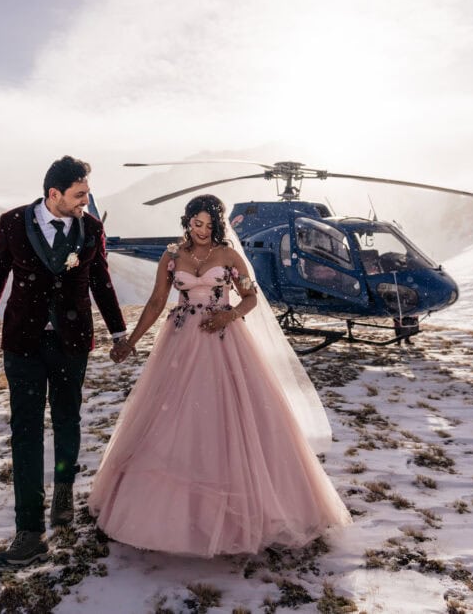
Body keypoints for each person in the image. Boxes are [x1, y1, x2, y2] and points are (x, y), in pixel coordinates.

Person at [90, 194, 351, 557]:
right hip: (180, 344)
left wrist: (227, 315)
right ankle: (165, 515)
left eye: (209, 226)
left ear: (218, 226)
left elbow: (250, 299)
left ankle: (245, 512)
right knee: (170, 419)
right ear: (187, 221)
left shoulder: (229, 257)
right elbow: (154, 303)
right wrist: (130, 342)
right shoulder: (171, 257)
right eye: (197, 224)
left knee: (230, 417)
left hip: (224, 340)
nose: (202, 231)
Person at [0, 156, 128, 568]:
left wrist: (118, 332)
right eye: (79, 195)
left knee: (67, 420)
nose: (85, 201)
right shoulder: (12, 222)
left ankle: (63, 490)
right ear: (53, 194)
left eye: (87, 194)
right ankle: (29, 532)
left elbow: (101, 281)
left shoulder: (91, 228)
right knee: (25, 431)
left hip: (72, 343)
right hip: (22, 343)